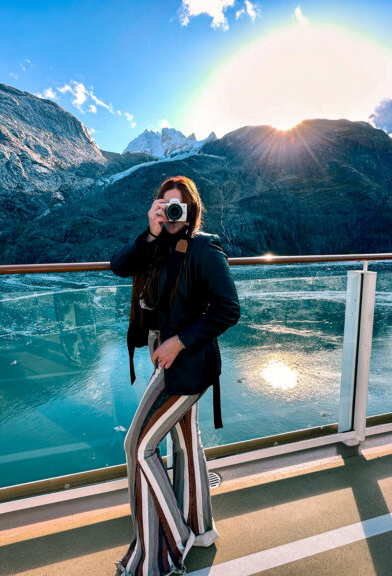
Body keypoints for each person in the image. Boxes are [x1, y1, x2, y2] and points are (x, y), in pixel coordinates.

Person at [110, 176, 240, 575]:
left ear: (191, 211)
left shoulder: (204, 249)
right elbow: (118, 266)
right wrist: (149, 231)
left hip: (188, 365)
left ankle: (165, 546)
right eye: (164, 205)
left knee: (138, 446)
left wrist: (177, 342)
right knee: (184, 442)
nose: (171, 212)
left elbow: (227, 309)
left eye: (177, 206)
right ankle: (199, 529)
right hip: (169, 361)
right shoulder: (156, 247)